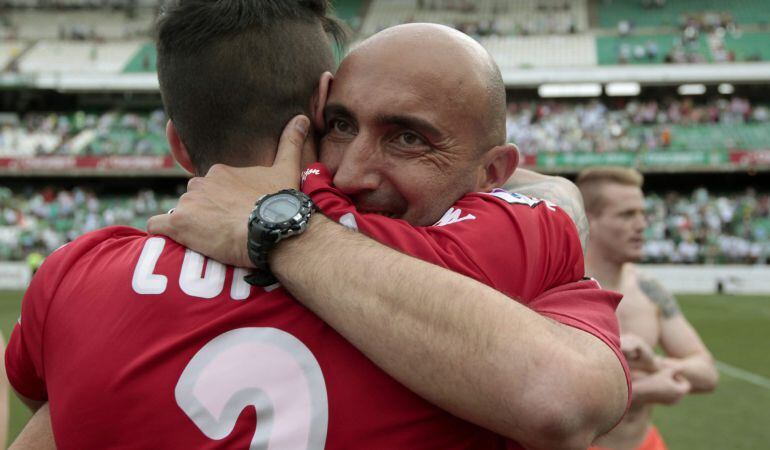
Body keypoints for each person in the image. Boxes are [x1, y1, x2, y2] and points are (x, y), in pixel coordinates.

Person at [7, 2, 628, 449]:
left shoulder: (74, 276)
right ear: (311, 120)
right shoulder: (517, 283)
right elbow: (563, 398)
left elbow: (50, 416)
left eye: (407, 138)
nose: (356, 172)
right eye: (343, 126)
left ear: (177, 144)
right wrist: (553, 195)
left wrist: (277, 226)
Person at [577, 167, 718, 450]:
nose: (641, 224)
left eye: (642, 213)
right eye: (627, 215)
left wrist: (654, 364)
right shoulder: (563, 288)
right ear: (589, 221)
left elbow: (706, 373)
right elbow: (552, 395)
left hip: (647, 444)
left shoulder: (648, 290)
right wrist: (641, 390)